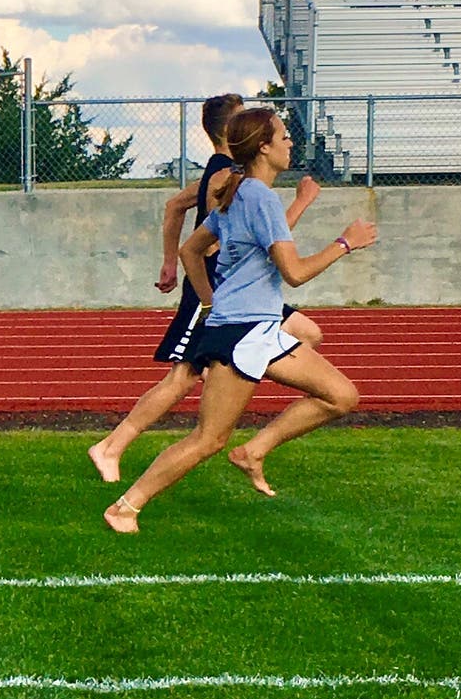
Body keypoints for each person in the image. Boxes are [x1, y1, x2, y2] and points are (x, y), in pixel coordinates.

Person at [104, 108, 375, 533]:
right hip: (244, 334)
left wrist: (213, 305)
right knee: (208, 439)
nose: (290, 144)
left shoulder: (240, 193)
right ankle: (125, 507)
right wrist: (345, 242)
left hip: (256, 329)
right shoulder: (259, 197)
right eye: (284, 137)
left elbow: (191, 251)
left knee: (341, 396)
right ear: (263, 147)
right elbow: (295, 273)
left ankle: (255, 450)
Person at [87, 95, 323, 483]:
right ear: (234, 130)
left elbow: (176, 207)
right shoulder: (225, 178)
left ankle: (234, 384)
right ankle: (112, 446)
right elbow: (250, 242)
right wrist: (182, 270)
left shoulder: (225, 174)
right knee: (182, 378)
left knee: (308, 333)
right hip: (217, 290)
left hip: (244, 293)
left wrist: (168, 260)